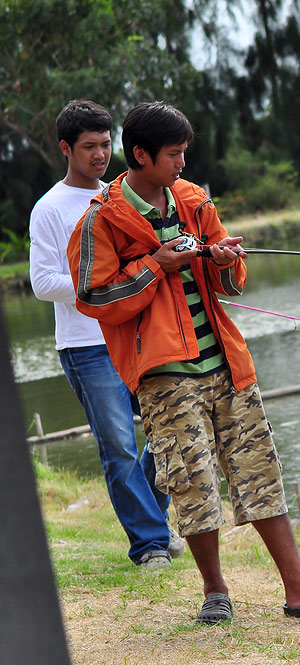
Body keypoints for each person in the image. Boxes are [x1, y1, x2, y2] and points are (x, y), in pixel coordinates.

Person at [67, 101, 300, 625]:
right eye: (173, 155)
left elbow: (228, 284)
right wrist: (158, 265)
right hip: (164, 376)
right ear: (140, 155)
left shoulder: (193, 200)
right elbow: (94, 300)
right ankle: (215, 591)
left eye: (185, 154)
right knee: (192, 482)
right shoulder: (102, 221)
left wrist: (226, 260)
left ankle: (299, 588)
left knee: (259, 471)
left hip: (227, 362)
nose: (182, 164)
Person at [29, 99, 184, 570]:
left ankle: (153, 522)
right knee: (117, 445)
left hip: (135, 338)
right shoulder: (50, 209)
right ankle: (150, 545)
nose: (100, 154)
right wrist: (101, 284)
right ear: (66, 148)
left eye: (104, 144)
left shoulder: (118, 196)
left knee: (169, 428)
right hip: (86, 346)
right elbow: (41, 283)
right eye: (89, 146)